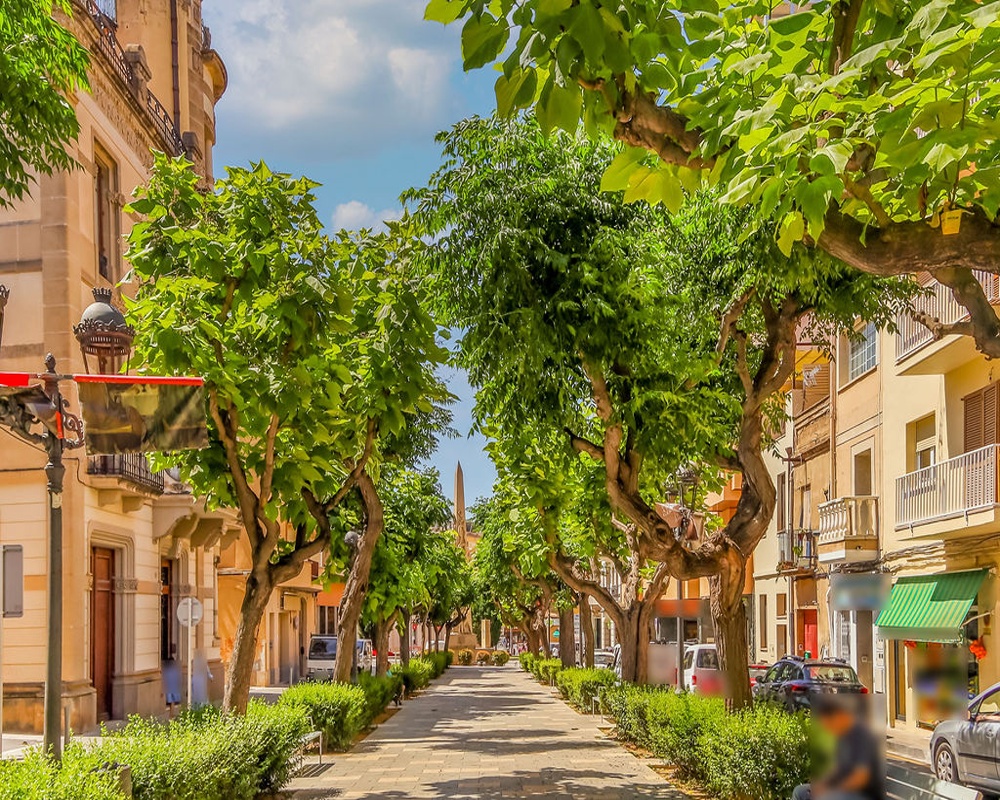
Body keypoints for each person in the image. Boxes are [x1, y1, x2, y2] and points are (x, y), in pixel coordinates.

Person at [792, 695, 885, 800]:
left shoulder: (862, 735)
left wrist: (832, 789)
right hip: (843, 789)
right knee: (799, 792)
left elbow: (861, 777)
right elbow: (837, 769)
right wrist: (821, 784)